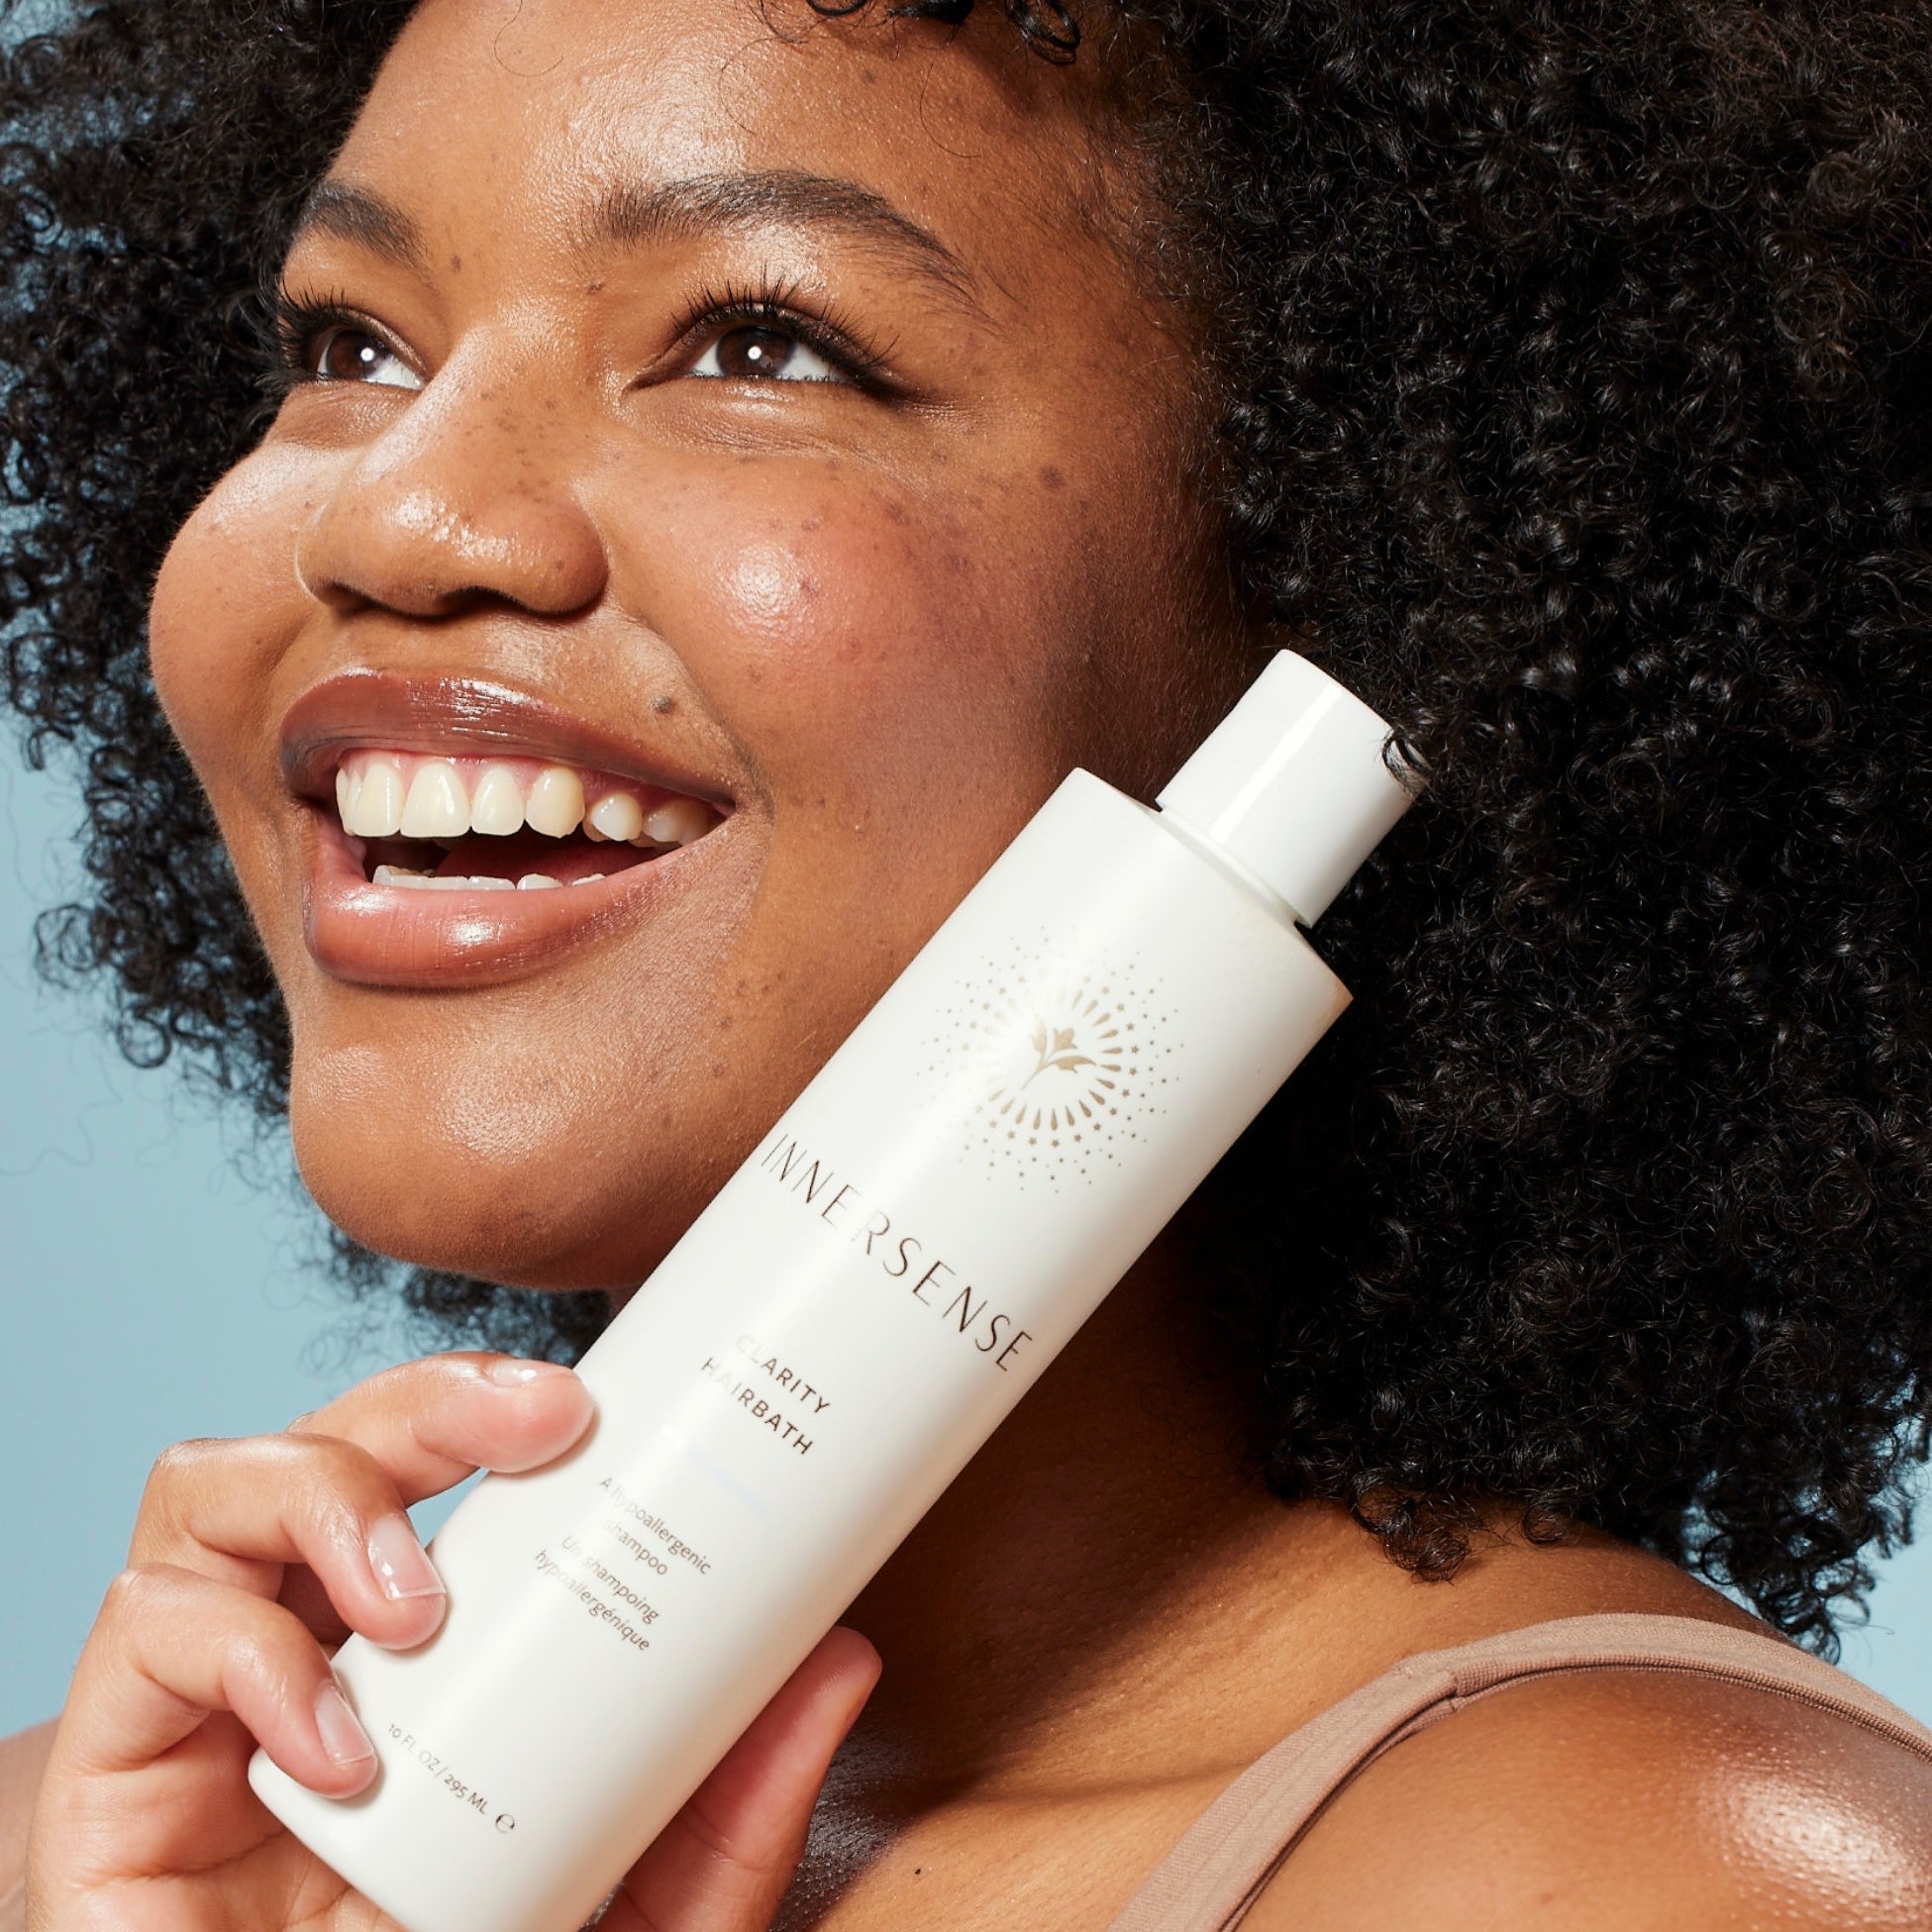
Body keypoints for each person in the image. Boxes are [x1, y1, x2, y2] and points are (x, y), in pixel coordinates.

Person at [5, 0, 1932, 1924]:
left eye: (760, 342)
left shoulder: (1621, 1879)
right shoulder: (137, 1857)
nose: (397, 514)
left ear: (1362, 571)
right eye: (350, 347)